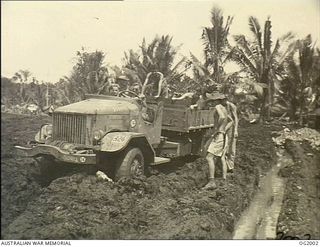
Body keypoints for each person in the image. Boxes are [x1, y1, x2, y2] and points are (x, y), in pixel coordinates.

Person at [203, 92, 233, 190]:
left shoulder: (218, 107)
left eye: (212, 100)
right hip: (223, 135)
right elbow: (231, 121)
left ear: (216, 100)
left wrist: (216, 129)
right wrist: (224, 130)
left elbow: (222, 117)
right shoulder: (224, 108)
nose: (211, 102)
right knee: (222, 158)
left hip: (219, 135)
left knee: (209, 157)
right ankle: (224, 181)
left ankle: (212, 182)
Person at [221, 96, 239, 172]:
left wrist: (235, 130)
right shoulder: (220, 106)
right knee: (224, 146)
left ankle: (230, 166)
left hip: (231, 128)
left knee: (231, 147)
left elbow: (235, 119)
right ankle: (225, 165)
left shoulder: (231, 106)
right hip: (223, 127)